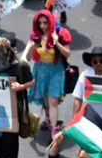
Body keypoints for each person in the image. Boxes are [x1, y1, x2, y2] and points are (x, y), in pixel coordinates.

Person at [28, 9, 71, 138]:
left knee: (53, 101)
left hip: (55, 71)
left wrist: (56, 42)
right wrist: (32, 46)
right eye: (40, 23)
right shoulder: (36, 35)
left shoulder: (61, 33)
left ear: (50, 22)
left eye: (45, 22)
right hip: (41, 70)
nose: (42, 26)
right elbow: (29, 57)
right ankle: (48, 119)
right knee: (45, 100)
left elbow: (67, 54)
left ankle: (54, 129)